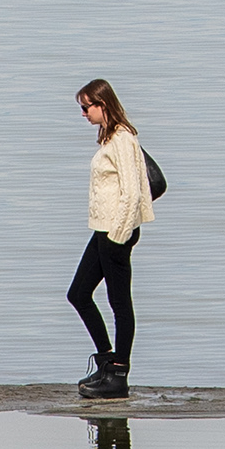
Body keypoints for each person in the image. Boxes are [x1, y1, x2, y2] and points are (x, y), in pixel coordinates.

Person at [69, 78, 153, 398]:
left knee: (119, 302)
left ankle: (118, 375)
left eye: (86, 107)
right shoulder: (109, 138)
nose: (83, 113)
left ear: (102, 104)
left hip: (116, 231)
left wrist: (118, 235)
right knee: (78, 293)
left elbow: (131, 194)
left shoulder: (122, 139)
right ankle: (106, 360)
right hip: (102, 229)